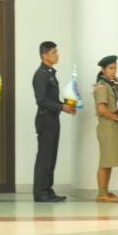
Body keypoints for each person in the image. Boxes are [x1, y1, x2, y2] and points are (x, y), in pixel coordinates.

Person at [32, 42, 75, 202]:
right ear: (44, 55)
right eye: (54, 52)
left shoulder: (50, 73)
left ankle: (48, 190)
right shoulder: (41, 74)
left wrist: (66, 105)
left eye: (57, 52)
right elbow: (41, 100)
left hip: (52, 118)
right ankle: (40, 192)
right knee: (45, 156)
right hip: (45, 119)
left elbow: (52, 99)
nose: (57, 55)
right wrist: (62, 107)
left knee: (51, 156)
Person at [94, 55, 118, 203]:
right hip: (106, 125)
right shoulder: (102, 86)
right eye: (110, 68)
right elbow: (102, 109)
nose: (113, 71)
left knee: (109, 161)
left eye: (115, 68)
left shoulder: (111, 84)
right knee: (105, 162)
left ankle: (105, 191)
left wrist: (117, 79)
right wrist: (117, 118)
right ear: (103, 70)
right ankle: (101, 194)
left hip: (112, 126)